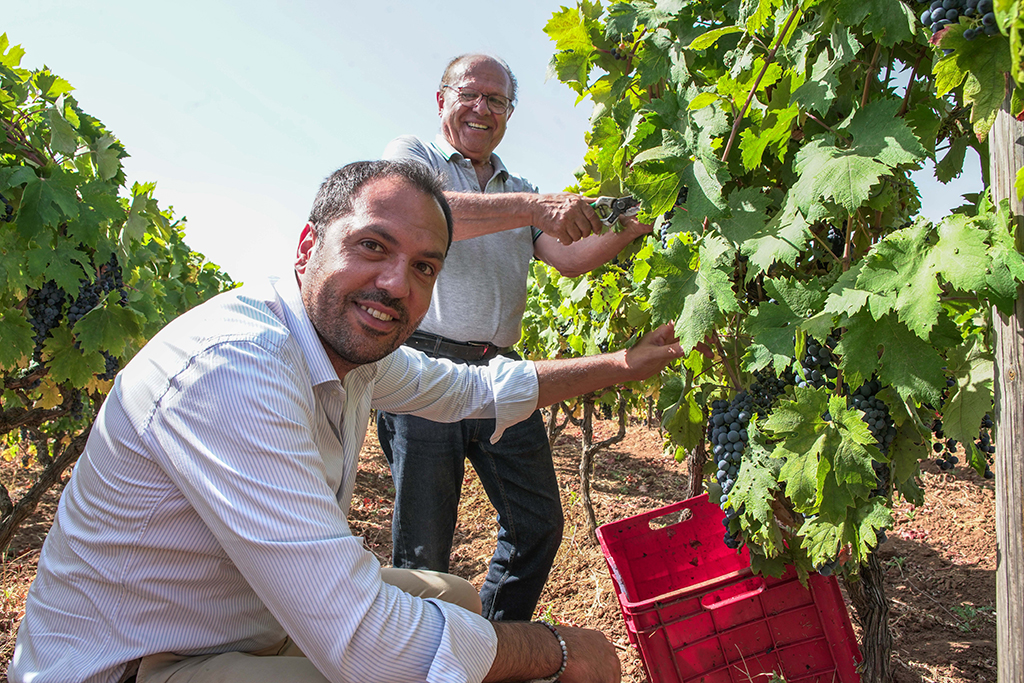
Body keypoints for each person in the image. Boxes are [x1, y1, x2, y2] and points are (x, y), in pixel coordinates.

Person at [8, 160, 681, 683]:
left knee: (454, 596)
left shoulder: (353, 352)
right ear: (307, 246)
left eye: (424, 267)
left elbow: (476, 390)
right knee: (436, 662)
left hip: (238, 616)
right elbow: (373, 645)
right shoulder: (236, 368)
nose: (396, 283)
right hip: (137, 663)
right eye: (371, 245)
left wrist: (625, 362)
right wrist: (556, 648)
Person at [377, 53, 653, 621]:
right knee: (424, 549)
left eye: (497, 100)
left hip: (500, 368)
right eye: (469, 94)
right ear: (442, 100)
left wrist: (633, 227)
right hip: (425, 366)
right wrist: (533, 206)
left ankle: (494, 644)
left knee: (538, 524)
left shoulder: (517, 186)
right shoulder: (415, 158)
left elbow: (569, 260)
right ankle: (417, 664)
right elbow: (426, 211)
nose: (483, 108)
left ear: (508, 113)